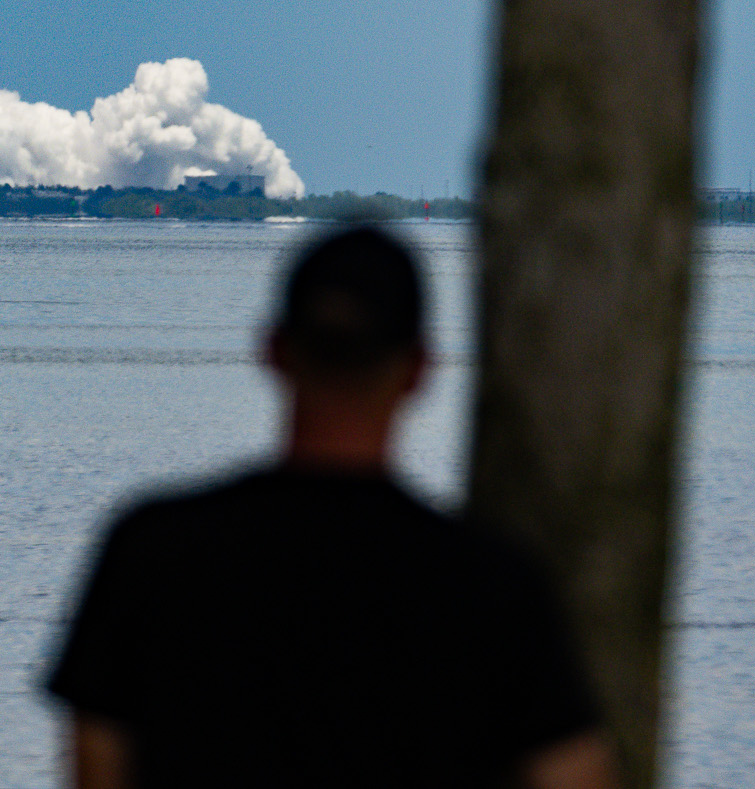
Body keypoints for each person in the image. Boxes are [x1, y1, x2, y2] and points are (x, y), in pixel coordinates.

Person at [46, 225, 615, 789]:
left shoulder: (152, 552)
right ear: (419, 370)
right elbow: (574, 772)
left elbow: (95, 764)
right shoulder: (493, 584)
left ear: (273, 351)